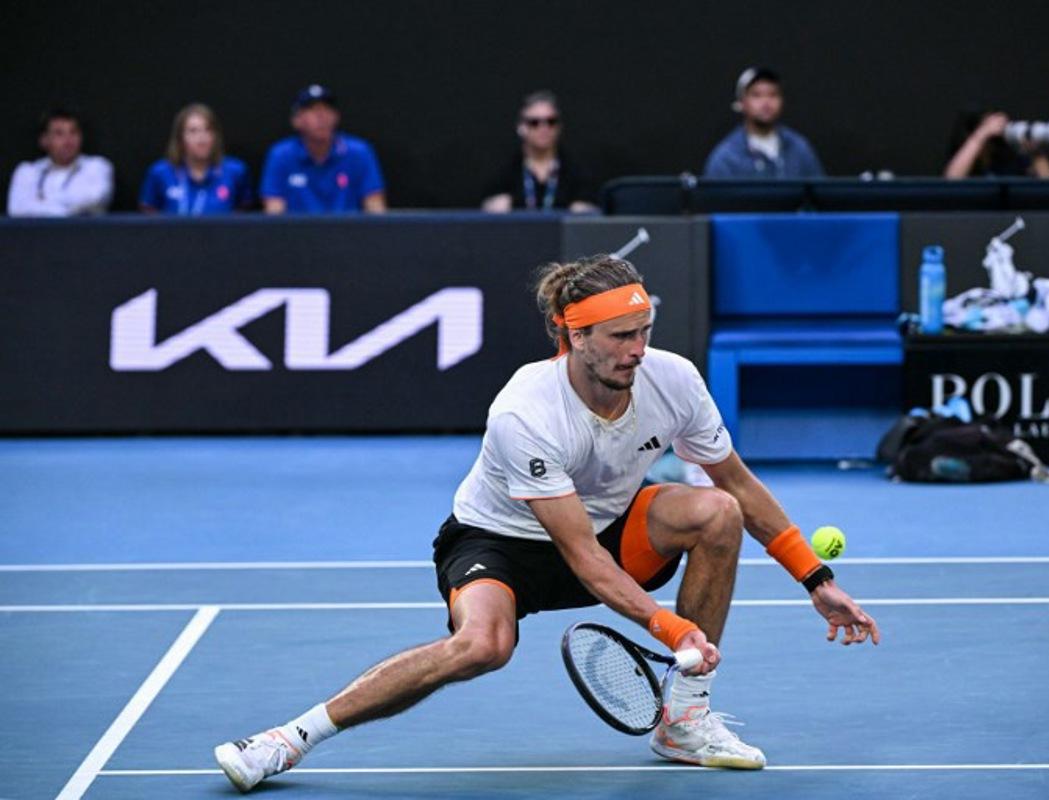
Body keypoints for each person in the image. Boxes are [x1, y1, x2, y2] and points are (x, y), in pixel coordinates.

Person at [214, 254, 880, 791]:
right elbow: (582, 556)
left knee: (716, 511)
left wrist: (815, 578)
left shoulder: (673, 380)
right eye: (620, 336)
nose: (638, 350)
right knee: (482, 646)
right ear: (574, 335)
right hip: (501, 543)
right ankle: (289, 738)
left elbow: (736, 482)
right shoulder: (526, 412)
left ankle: (685, 719)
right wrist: (672, 628)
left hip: (611, 526)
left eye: (644, 331)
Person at [260, 84, 386, 214]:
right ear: (296, 120)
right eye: (312, 110)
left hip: (347, 227)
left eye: (327, 109)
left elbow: (375, 209)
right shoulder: (281, 155)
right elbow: (274, 213)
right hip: (298, 228)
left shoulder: (359, 153)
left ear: (336, 116)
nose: (321, 116)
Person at [481, 91, 596, 213]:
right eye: (534, 123)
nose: (543, 128)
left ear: (559, 127)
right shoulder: (504, 172)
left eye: (551, 121)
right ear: (521, 127)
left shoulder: (576, 173)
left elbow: (590, 207)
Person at [703, 67, 824, 179]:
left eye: (773, 95)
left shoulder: (799, 148)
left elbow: (818, 191)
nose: (766, 103)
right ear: (741, 103)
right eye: (756, 95)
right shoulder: (726, 157)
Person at [138, 103, 253, 215]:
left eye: (208, 130)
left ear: (216, 136)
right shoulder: (160, 172)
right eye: (193, 131)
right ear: (180, 138)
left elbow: (243, 215)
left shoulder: (235, 171)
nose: (202, 139)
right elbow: (148, 215)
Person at [7, 109, 113, 217]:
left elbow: (95, 201)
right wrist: (67, 209)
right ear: (44, 140)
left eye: (73, 132)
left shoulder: (97, 167)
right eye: (59, 133)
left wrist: (42, 202)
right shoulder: (28, 171)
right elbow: (17, 210)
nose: (68, 140)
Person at [943, 109, 1049, 179]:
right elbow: (952, 179)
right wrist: (982, 134)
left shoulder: (1012, 156)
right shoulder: (965, 160)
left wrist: (1035, 153)